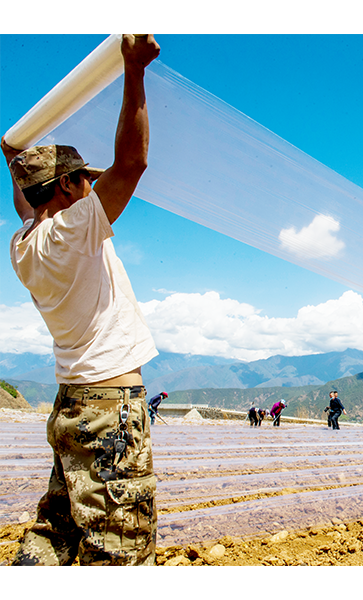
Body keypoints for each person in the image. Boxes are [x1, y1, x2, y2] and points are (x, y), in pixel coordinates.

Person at [4, 35, 161, 566]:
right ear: (70, 188)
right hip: (108, 409)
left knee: (59, 528)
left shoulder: (24, 245)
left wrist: (14, 161)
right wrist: (133, 70)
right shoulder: (75, 228)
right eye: (83, 181)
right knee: (120, 544)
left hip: (72, 404)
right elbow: (133, 162)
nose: (91, 188)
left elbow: (29, 201)